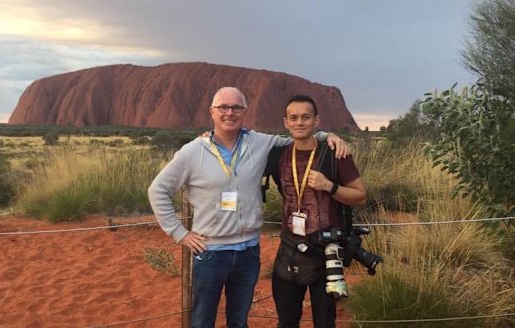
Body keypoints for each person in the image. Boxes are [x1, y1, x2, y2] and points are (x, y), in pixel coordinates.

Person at [147, 87, 347, 328]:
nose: (229, 113)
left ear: (244, 112)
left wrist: (328, 136)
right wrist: (180, 233)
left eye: (236, 108)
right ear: (212, 112)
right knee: (202, 321)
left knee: (239, 321)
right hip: (211, 251)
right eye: (223, 107)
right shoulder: (192, 152)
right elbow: (157, 190)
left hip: (248, 252)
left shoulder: (260, 142)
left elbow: (297, 136)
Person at [266, 95, 366, 328]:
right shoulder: (276, 156)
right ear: (286, 123)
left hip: (325, 251)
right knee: (287, 320)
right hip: (289, 247)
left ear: (316, 121)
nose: (299, 122)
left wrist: (329, 186)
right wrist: (208, 139)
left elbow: (360, 195)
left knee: (324, 322)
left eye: (305, 117)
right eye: (294, 118)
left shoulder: (335, 154)